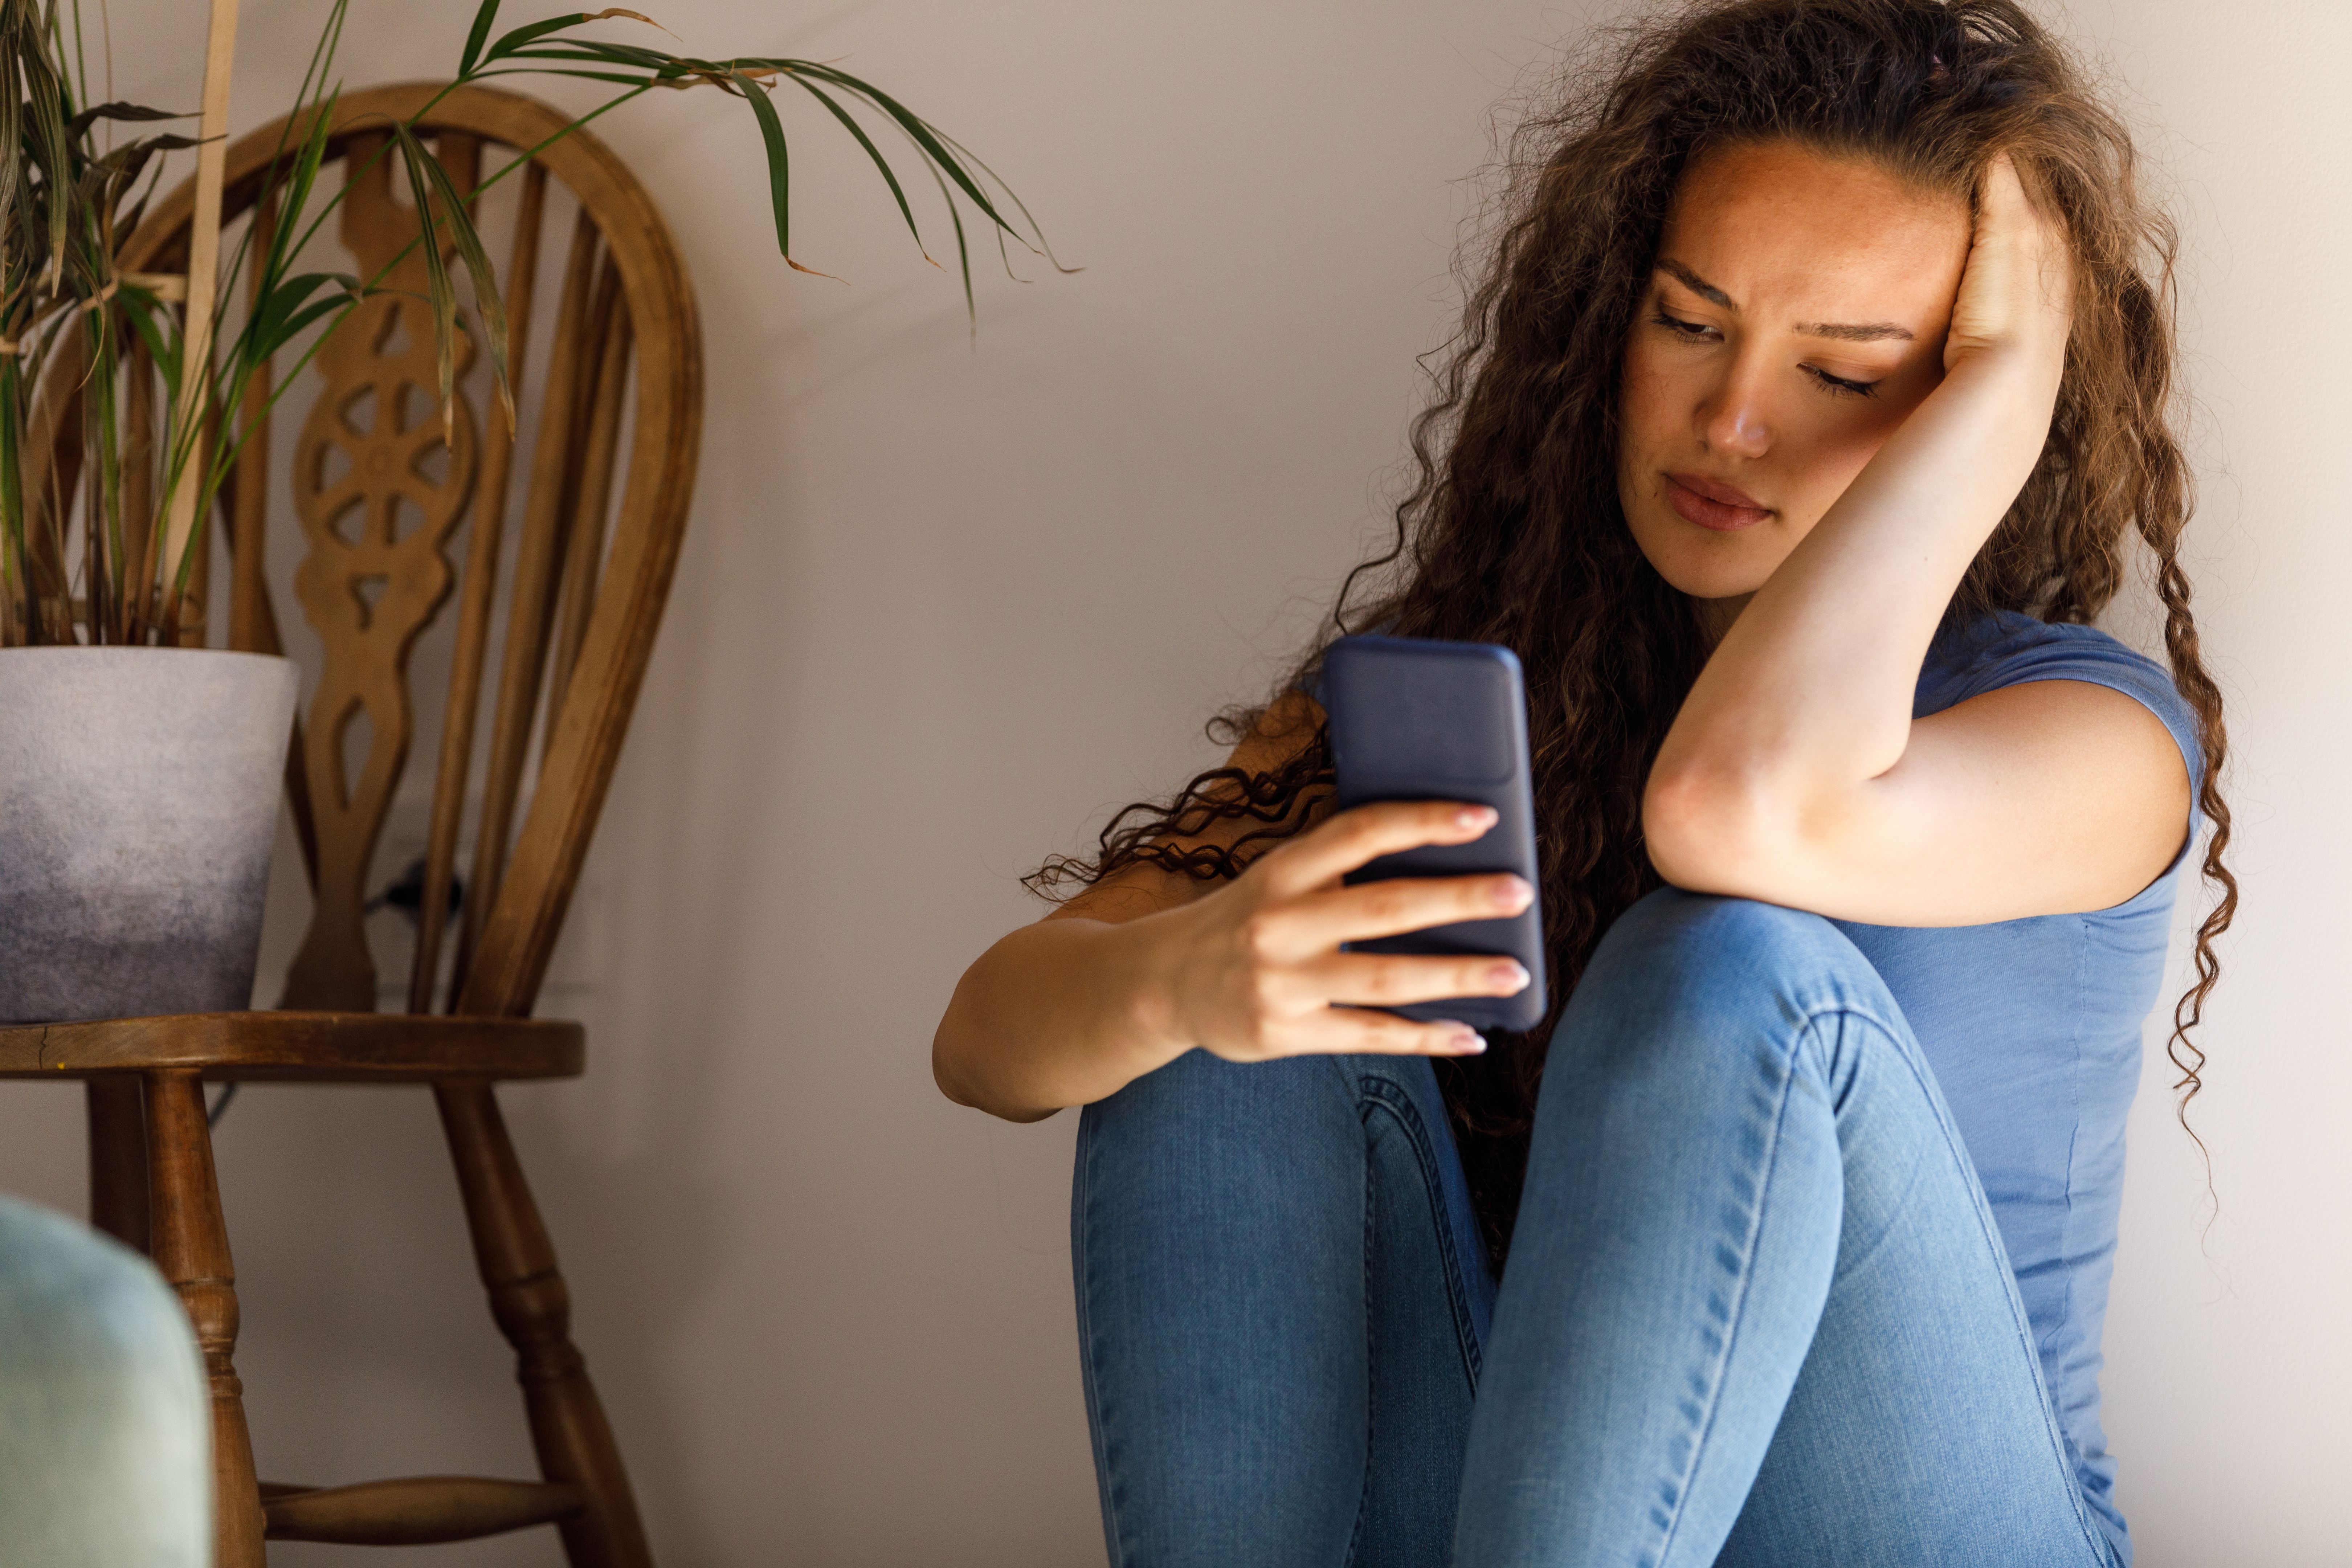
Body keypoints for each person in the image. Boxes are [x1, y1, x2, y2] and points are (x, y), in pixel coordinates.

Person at [932, 0, 2233, 1562]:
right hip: (1549, 1519)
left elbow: (1738, 818)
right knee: (1213, 1023)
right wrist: (1191, 979)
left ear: (1958, 411)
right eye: (1691, 324)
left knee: (1736, 961)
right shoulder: (1473, 673)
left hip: (1918, 1529)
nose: (1732, 421)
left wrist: (2003, 406)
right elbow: (986, 1043)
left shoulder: (2087, 732)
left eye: (1846, 371)